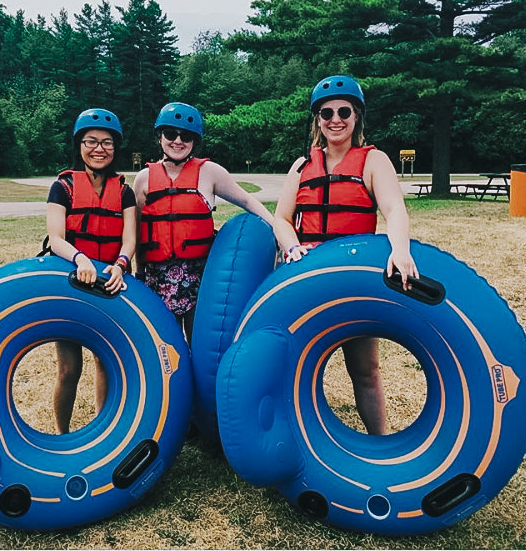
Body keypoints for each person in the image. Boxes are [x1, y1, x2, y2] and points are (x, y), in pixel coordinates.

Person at [272, 75, 419, 435]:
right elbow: (281, 219)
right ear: (317, 120)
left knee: (364, 370)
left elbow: (394, 209)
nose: (335, 120)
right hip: (310, 278)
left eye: (344, 112)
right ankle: (295, 437)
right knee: (292, 366)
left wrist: (400, 249)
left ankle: (380, 440)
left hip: (352, 279)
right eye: (327, 113)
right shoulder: (301, 166)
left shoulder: (373, 161)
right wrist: (291, 246)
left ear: (357, 117)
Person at [133, 102, 274, 343]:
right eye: (171, 134)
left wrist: (277, 228)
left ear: (194, 141)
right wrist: (138, 272)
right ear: (160, 137)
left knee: (201, 345)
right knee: (167, 346)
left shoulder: (211, 172)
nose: (178, 141)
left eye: (186, 136)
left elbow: (248, 201)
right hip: (157, 278)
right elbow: (137, 232)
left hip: (201, 278)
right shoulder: (143, 179)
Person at [46, 108, 136, 434]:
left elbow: (129, 240)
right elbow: (56, 237)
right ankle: (62, 435)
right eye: (91, 141)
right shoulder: (63, 187)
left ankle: (102, 432)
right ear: (79, 145)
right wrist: (81, 259)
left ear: (115, 147)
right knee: (69, 369)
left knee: (105, 362)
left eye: (107, 143)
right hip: (71, 283)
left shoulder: (124, 191)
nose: (99, 149)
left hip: (107, 285)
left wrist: (121, 265)